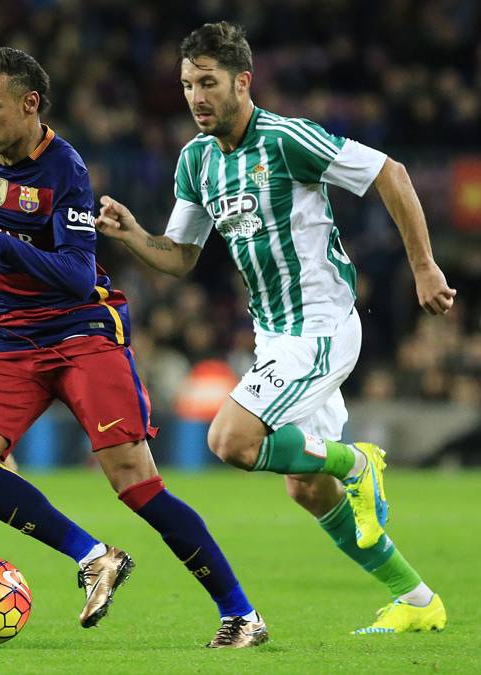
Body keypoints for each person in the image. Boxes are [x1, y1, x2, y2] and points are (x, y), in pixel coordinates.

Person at [95, 21, 453, 634]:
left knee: (229, 441)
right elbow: (180, 256)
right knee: (306, 489)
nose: (196, 97)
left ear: (242, 81)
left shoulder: (286, 140)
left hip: (320, 327)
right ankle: (418, 601)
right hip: (274, 336)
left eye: (208, 83)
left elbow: (389, 172)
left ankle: (358, 464)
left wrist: (423, 266)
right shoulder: (196, 161)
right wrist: (132, 235)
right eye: (187, 85)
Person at [0, 47, 266, 648]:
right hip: (11, 337)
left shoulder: (65, 169)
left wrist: (0, 249)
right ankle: (92, 556)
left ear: (30, 104)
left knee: (136, 485)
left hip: (82, 331)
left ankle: (242, 614)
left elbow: (76, 272)